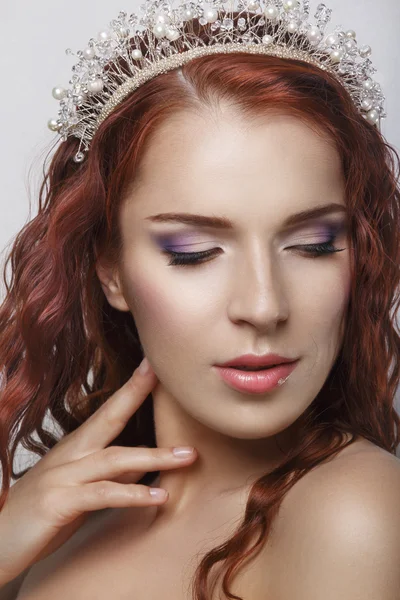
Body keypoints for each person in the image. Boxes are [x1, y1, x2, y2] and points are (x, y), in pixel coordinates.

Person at [0, 1, 400, 598]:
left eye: (314, 243)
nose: (264, 307)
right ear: (110, 269)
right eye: (193, 251)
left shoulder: (353, 513)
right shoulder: (63, 519)